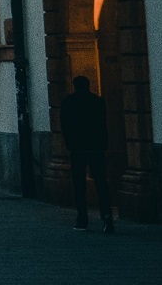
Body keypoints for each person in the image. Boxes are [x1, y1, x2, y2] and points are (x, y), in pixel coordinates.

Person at [61, 75, 113, 232]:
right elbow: (103, 123)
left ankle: (82, 219)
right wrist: (103, 145)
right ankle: (107, 216)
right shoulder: (98, 101)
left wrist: (70, 144)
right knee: (101, 183)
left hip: (78, 149)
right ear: (88, 85)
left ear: (74, 86)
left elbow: (65, 126)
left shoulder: (69, 102)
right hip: (96, 148)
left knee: (79, 185)